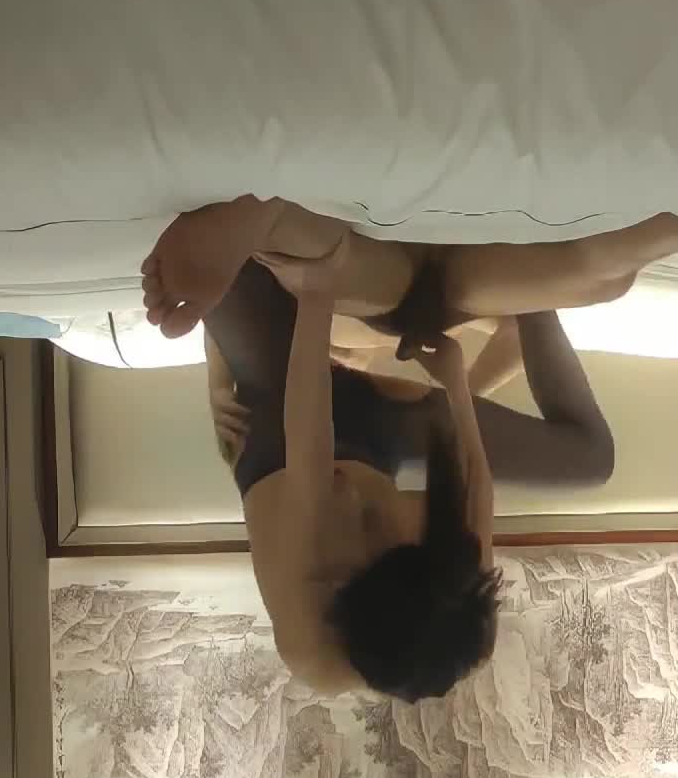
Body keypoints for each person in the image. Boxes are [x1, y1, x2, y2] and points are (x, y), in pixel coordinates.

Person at [200, 218, 615, 702]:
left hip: (277, 425)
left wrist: (317, 292)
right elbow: (476, 489)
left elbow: (306, 433)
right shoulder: (462, 619)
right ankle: (530, 293)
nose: (389, 534)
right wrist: (455, 381)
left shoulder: (311, 632)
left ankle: (331, 319)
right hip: (378, 439)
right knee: (590, 460)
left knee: (230, 245)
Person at [139, 196, 678, 349]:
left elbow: (516, 335)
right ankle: (268, 227)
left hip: (416, 305)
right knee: (605, 281)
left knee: (600, 278)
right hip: (414, 305)